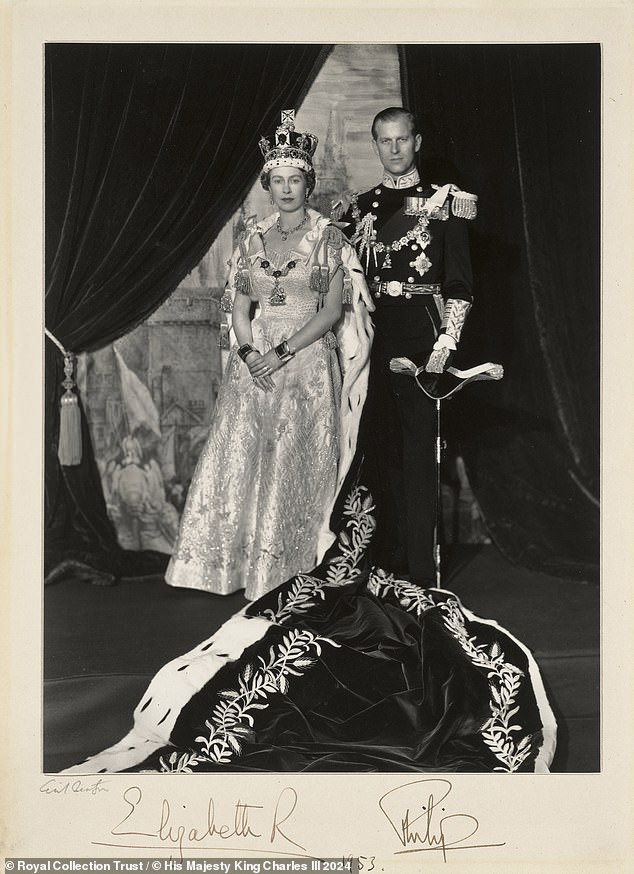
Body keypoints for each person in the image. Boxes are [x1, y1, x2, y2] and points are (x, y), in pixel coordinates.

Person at [165, 110, 374, 601]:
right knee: (243, 458)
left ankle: (288, 567)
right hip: (254, 363)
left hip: (303, 359)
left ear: (308, 183)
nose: (285, 189)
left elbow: (328, 312)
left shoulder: (327, 238)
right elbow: (240, 308)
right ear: (267, 184)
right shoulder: (252, 238)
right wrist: (246, 350)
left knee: (289, 462)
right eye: (276, 180)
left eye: (294, 180)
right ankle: (230, 567)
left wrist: (280, 351)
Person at [333, 106, 478, 585]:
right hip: (374, 334)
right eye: (385, 142)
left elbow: (458, 284)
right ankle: (380, 569)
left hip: (421, 331)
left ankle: (420, 577)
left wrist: (446, 344)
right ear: (375, 146)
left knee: (419, 455)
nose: (394, 150)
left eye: (402, 140)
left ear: (417, 142)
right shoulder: (359, 208)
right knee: (377, 451)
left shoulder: (446, 203)